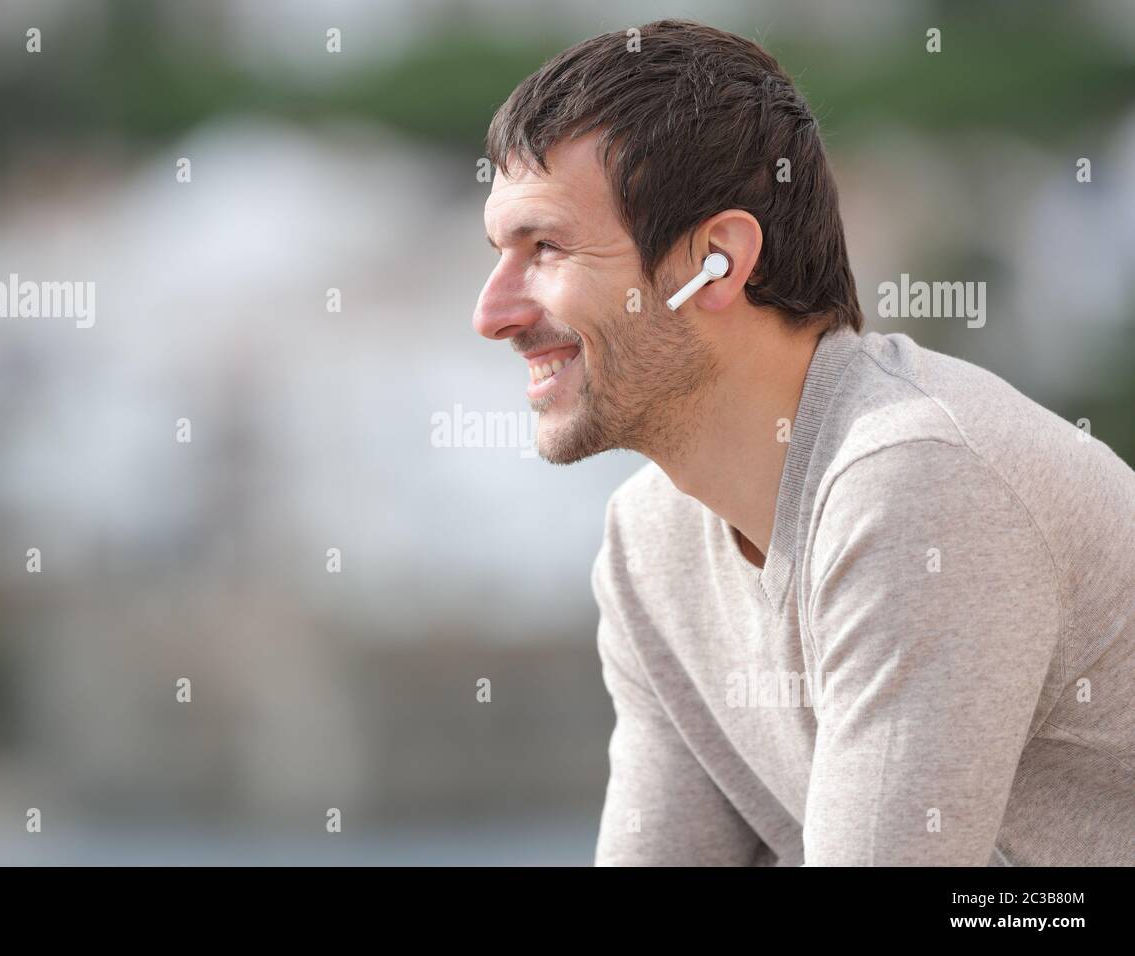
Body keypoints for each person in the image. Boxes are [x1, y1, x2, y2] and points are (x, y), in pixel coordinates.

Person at [472, 18, 1135, 865]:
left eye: (546, 248)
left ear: (716, 261)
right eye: (500, 252)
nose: (491, 314)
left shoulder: (918, 485)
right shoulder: (650, 546)